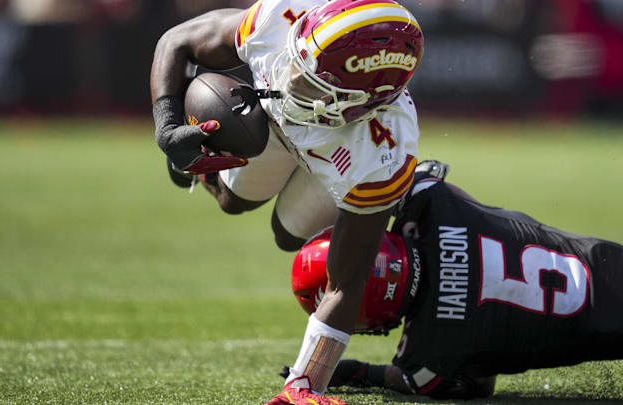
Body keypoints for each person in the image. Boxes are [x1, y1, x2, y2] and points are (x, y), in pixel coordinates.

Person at [150, 1, 424, 403]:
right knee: (233, 201)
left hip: (340, 152)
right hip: (276, 128)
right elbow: (175, 41)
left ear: (364, 101)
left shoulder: (381, 156)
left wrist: (305, 383)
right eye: (300, 61)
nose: (292, 78)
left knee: (289, 236)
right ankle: (201, 159)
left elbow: (345, 285)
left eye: (313, 82)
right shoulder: (281, 19)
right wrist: (168, 126)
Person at [284, 160, 623, 399]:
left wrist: (358, 372)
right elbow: (416, 181)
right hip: (606, 259)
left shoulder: (428, 357)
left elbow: (477, 385)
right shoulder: (431, 201)